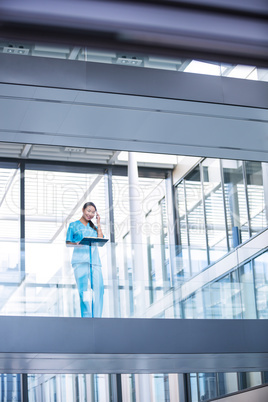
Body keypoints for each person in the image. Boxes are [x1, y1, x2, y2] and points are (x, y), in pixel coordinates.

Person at [66, 202, 104, 317]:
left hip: (95, 262)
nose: (90, 214)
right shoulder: (73, 225)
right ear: (83, 210)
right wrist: (77, 244)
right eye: (88, 211)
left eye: (93, 212)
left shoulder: (94, 227)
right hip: (80, 261)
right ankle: (86, 317)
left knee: (99, 289)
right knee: (83, 292)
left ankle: (97, 317)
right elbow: (68, 242)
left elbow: (101, 238)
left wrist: (98, 223)